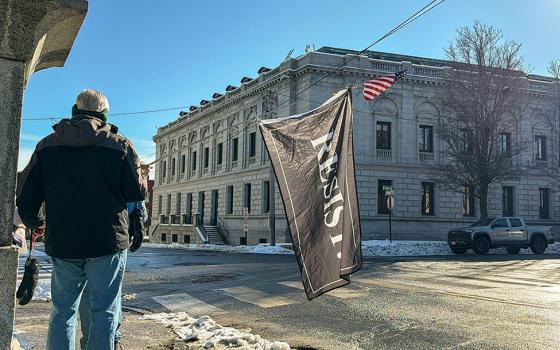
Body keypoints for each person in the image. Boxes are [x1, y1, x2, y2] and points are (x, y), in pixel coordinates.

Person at [16, 89, 147, 350]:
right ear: (104, 115)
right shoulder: (120, 145)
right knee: (103, 311)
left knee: (62, 311)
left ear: (74, 111)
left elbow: (26, 192)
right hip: (107, 242)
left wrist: (36, 222)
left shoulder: (46, 145)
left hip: (63, 242)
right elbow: (138, 191)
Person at [79, 201, 148, 350]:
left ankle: (91, 342)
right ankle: (111, 341)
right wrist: (139, 213)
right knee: (109, 295)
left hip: (79, 230)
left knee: (86, 293)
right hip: (114, 232)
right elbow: (135, 191)